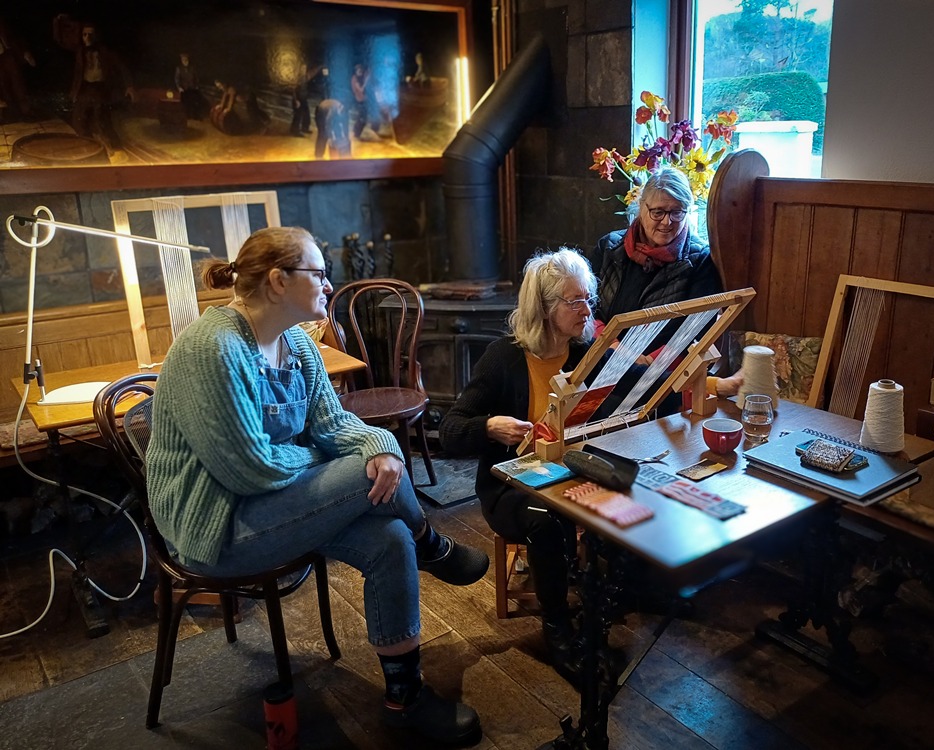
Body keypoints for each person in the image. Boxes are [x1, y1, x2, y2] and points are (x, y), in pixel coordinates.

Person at [145, 226, 488, 746]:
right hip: (217, 527)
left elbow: (335, 425)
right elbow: (250, 469)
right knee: (362, 472)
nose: (330, 285)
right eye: (319, 273)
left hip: (281, 505)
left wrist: (375, 444)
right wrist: (339, 458)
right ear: (279, 281)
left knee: (388, 534)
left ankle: (404, 696)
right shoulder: (211, 349)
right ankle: (432, 545)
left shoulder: (297, 343)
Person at [439, 249, 602, 686]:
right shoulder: (503, 358)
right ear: (545, 309)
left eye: (588, 298)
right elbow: (450, 430)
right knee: (549, 518)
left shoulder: (587, 351)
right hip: (510, 487)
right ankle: (558, 631)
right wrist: (489, 427)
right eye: (574, 301)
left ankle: (600, 601)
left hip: (573, 472)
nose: (586, 310)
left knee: (623, 493)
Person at [584, 165, 742, 400]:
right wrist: (613, 349)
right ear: (641, 207)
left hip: (660, 372)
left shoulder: (700, 261)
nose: (667, 222)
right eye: (657, 212)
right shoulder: (608, 247)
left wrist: (647, 362)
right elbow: (587, 305)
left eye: (677, 212)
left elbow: (698, 330)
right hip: (599, 358)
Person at [71, 21, 134, 152]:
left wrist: (129, 86)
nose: (87, 38)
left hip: (101, 89)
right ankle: (88, 148)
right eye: (84, 35)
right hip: (85, 89)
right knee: (79, 120)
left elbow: (122, 67)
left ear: (96, 36)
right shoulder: (80, 51)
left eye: (90, 35)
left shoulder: (106, 52)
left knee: (102, 120)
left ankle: (117, 149)